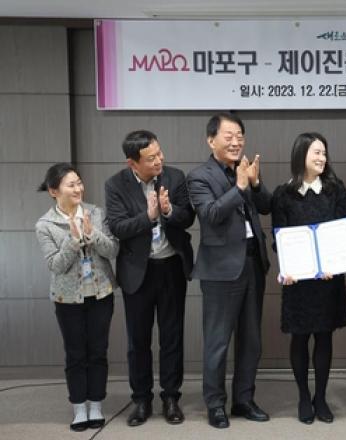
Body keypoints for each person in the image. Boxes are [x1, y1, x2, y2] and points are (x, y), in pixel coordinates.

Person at [187, 112, 272, 429]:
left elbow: (266, 205)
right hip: (220, 270)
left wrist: (255, 183)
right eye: (229, 136)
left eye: (240, 136)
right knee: (218, 342)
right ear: (211, 140)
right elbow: (210, 214)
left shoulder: (245, 169)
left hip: (252, 263)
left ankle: (244, 400)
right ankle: (215, 404)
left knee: (251, 340)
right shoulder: (199, 176)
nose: (236, 142)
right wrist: (239, 187)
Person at [105, 130, 195, 427]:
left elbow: (188, 217)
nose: (159, 161)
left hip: (171, 267)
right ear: (132, 163)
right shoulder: (116, 184)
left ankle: (171, 397)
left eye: (160, 153)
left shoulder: (175, 177)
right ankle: (141, 399)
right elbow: (118, 227)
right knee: (138, 340)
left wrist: (169, 210)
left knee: (172, 337)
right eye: (151, 157)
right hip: (137, 272)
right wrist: (149, 217)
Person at [271, 132, 346, 424]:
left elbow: (343, 231)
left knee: (324, 336)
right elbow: (279, 238)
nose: (322, 158)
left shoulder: (335, 189)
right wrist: (287, 267)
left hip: (328, 278)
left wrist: (334, 262)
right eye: (316, 152)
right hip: (298, 280)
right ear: (300, 154)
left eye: (324, 153)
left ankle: (321, 397)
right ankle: (304, 397)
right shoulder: (283, 193)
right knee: (300, 337)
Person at [35, 163, 118, 431]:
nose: (78, 188)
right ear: (53, 191)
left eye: (79, 183)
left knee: (98, 351)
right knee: (75, 353)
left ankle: (96, 405)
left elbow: (112, 250)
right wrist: (72, 241)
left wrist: (92, 234)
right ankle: (79, 407)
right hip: (67, 299)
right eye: (71, 185)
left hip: (101, 294)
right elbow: (55, 265)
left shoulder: (96, 212)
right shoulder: (45, 224)